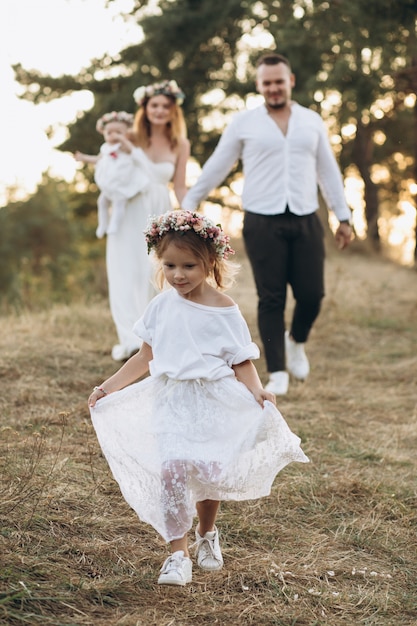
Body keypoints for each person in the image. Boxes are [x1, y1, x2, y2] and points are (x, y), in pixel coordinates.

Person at [88, 209, 309, 587]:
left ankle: (207, 534)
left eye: (188, 266)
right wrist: (107, 387)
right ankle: (178, 553)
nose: (178, 275)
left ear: (209, 261)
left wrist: (257, 391)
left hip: (213, 401)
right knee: (172, 471)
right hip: (171, 399)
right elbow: (145, 356)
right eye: (170, 265)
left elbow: (241, 361)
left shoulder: (225, 311)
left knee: (207, 473)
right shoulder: (161, 305)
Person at [181, 53, 353, 395]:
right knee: (270, 298)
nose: (274, 88)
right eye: (267, 83)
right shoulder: (244, 123)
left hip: (305, 217)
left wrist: (343, 215)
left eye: (279, 81)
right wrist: (190, 201)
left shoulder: (311, 121)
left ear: (290, 81)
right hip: (262, 221)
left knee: (312, 295)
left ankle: (297, 341)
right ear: (260, 85)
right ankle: (277, 371)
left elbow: (328, 170)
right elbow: (218, 164)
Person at [81, 80, 190, 362]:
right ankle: (130, 340)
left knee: (155, 272)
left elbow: (179, 186)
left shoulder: (181, 143)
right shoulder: (128, 136)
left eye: (166, 106)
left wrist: (190, 213)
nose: (160, 110)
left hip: (159, 208)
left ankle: (157, 337)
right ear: (145, 107)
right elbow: (109, 165)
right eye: (154, 105)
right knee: (124, 270)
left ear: (173, 110)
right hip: (129, 207)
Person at [75, 111, 149, 239]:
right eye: (109, 133)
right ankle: (103, 224)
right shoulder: (105, 148)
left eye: (118, 132)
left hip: (122, 181)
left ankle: (115, 224)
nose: (113, 136)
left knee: (119, 203)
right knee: (102, 201)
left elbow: (132, 151)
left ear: (126, 134)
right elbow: (97, 159)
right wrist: (83, 157)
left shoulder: (124, 146)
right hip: (109, 182)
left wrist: (122, 139)